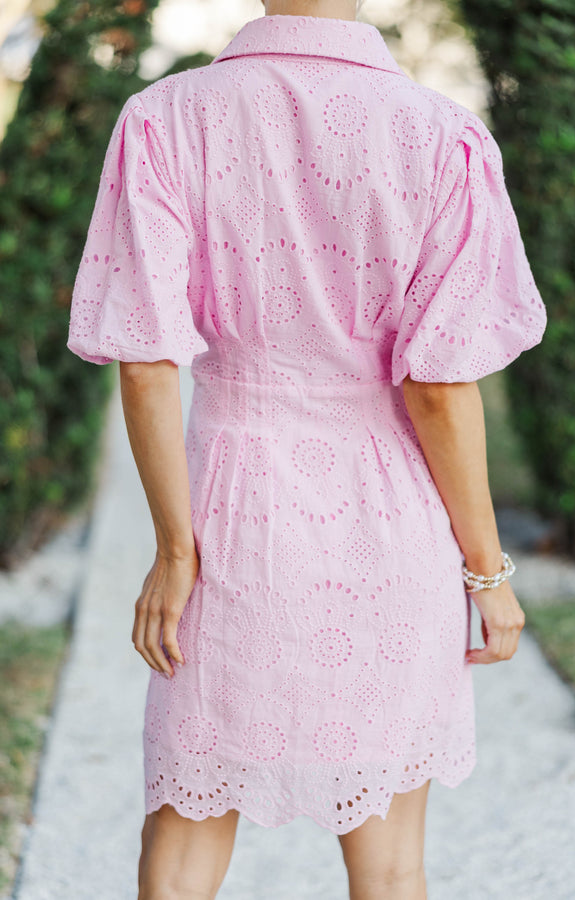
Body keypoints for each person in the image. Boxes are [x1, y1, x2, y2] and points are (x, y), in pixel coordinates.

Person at [67, 0, 546, 895]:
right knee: (392, 861)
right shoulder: (442, 137)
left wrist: (175, 549)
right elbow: (440, 387)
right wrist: (488, 572)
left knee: (183, 837)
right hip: (388, 520)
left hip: (229, 512)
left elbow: (145, 363)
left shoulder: (167, 118)